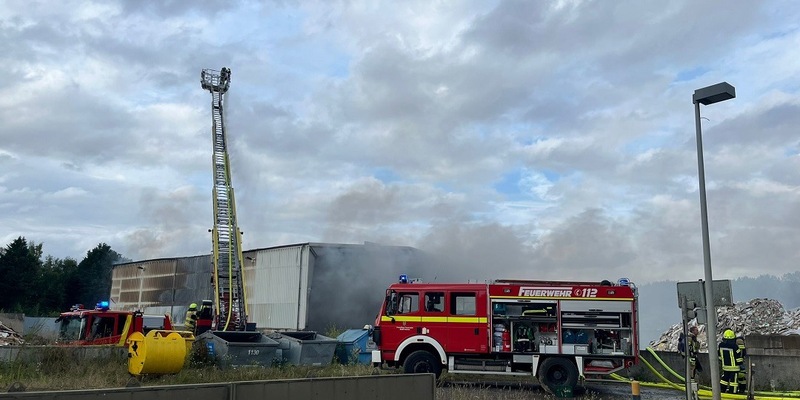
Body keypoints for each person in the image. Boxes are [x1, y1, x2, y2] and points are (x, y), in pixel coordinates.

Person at [719, 329, 744, 394]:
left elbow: (719, 356)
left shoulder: (720, 345)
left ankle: (722, 390)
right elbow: (738, 357)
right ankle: (733, 392)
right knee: (734, 381)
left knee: (724, 379)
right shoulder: (735, 346)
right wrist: (740, 364)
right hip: (734, 368)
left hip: (725, 367)